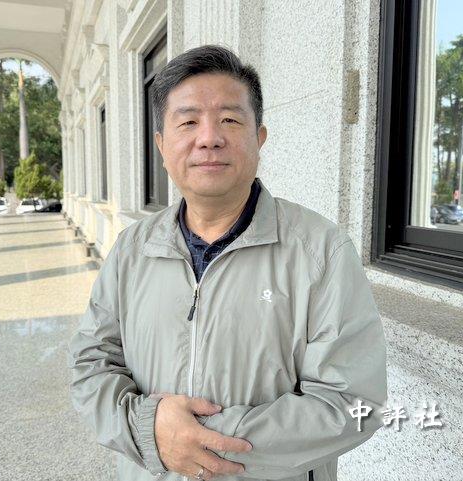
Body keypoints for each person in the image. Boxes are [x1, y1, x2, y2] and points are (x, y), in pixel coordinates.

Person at [68, 45, 387, 481]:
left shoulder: (320, 251)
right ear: (161, 145)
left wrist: (197, 440)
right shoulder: (132, 250)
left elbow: (352, 403)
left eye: (230, 120)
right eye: (188, 122)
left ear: (260, 137)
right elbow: (91, 363)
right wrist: (150, 429)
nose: (209, 138)